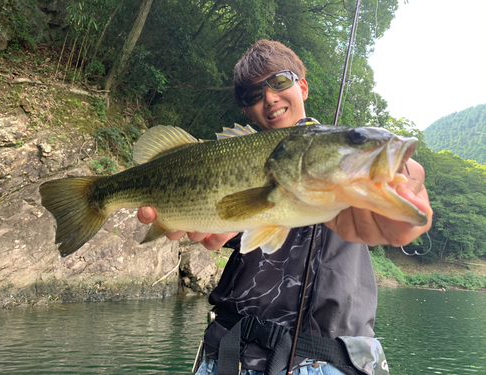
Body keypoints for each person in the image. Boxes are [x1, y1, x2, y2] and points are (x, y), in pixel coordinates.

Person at [138, 40, 433, 375]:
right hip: (228, 355)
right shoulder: (232, 160)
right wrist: (201, 220)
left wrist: (406, 206)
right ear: (247, 111)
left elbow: (405, 196)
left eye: (279, 82)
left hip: (326, 359)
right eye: (253, 95)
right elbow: (228, 226)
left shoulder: (339, 158)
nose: (270, 98)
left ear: (302, 86)